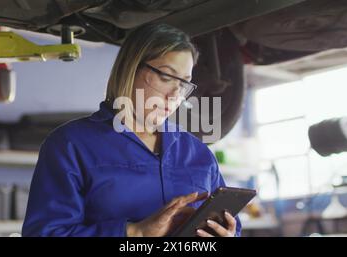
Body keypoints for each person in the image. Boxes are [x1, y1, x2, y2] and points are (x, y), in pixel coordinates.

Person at [22, 23, 242, 237]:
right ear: (131, 67)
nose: (175, 95)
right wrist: (136, 232)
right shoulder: (70, 145)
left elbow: (231, 227)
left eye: (184, 83)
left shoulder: (198, 152)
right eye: (166, 76)